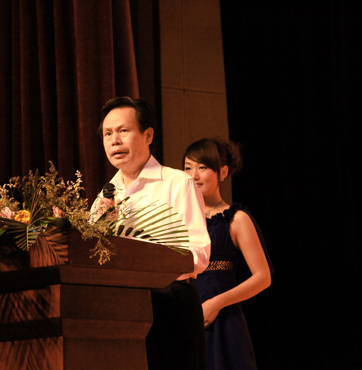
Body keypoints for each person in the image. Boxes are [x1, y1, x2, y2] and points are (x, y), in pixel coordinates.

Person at [93, 96, 211, 369]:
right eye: (108, 134)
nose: (114, 140)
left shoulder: (177, 183)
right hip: (118, 308)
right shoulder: (104, 197)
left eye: (123, 130)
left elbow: (198, 253)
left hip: (170, 305)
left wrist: (144, 263)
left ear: (148, 135)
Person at [183, 138, 272, 370]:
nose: (194, 175)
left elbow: (263, 277)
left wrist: (217, 303)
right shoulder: (181, 220)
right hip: (188, 320)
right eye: (188, 168)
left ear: (222, 172)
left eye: (203, 167)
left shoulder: (236, 219)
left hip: (223, 321)